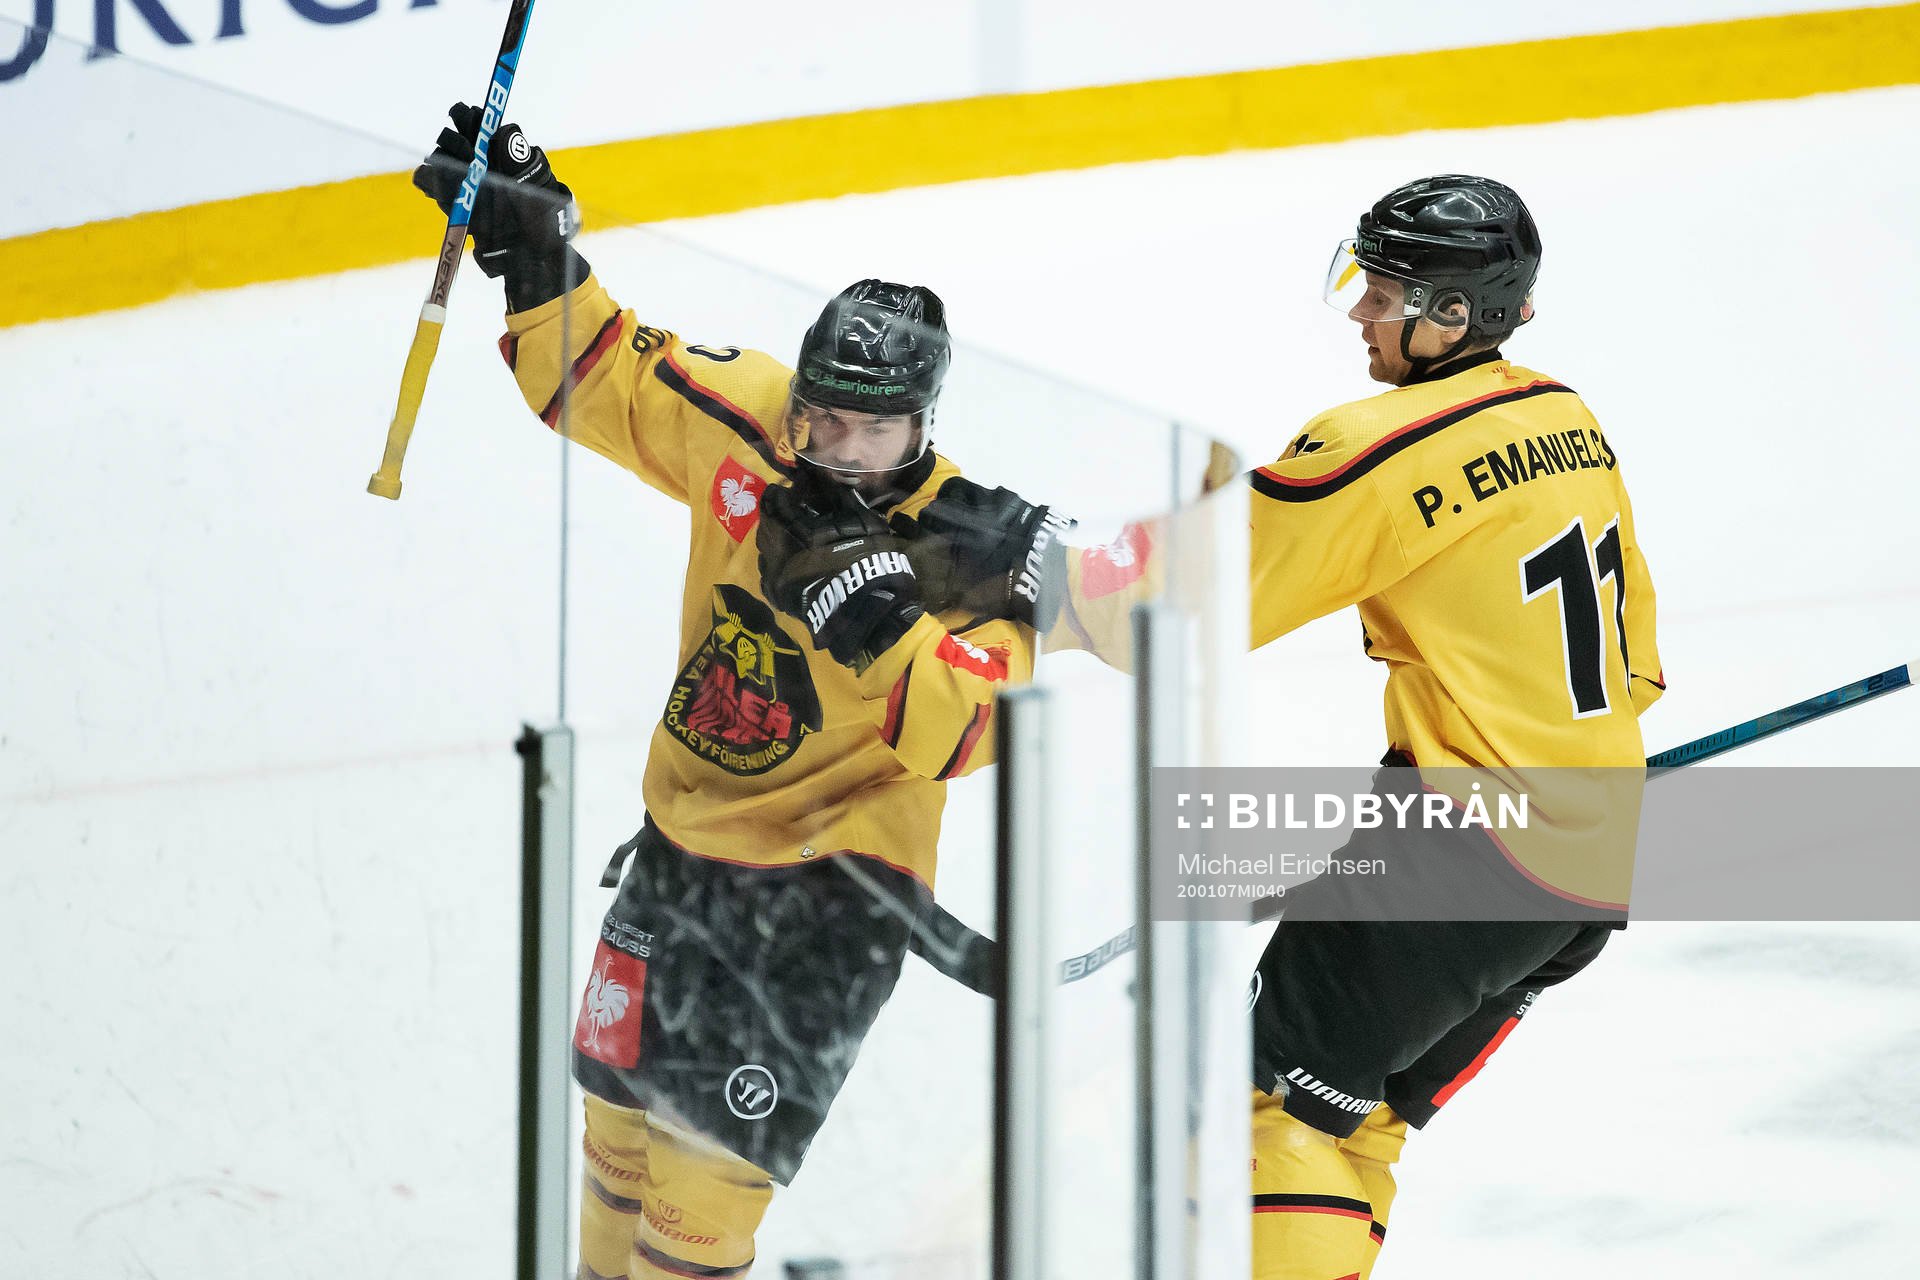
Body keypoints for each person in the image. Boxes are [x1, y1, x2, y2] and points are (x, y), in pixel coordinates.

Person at [412, 104, 1068, 1280]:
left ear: (926, 422)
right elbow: (605, 373)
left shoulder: (968, 547)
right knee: (610, 1155)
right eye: (822, 414)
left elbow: (975, 727)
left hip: (832, 898)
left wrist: (873, 616)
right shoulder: (753, 423)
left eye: (871, 429)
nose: (835, 445)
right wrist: (533, 247)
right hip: (683, 851)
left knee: (695, 1212)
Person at [1239, 174, 1664, 1279]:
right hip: (1586, 864)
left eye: (1383, 292)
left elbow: (1190, 600)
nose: (1359, 313)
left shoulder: (1375, 441)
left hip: (1469, 849)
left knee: (1274, 1108)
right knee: (1360, 1111)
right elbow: (1637, 669)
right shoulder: (1569, 419)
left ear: (1456, 315)